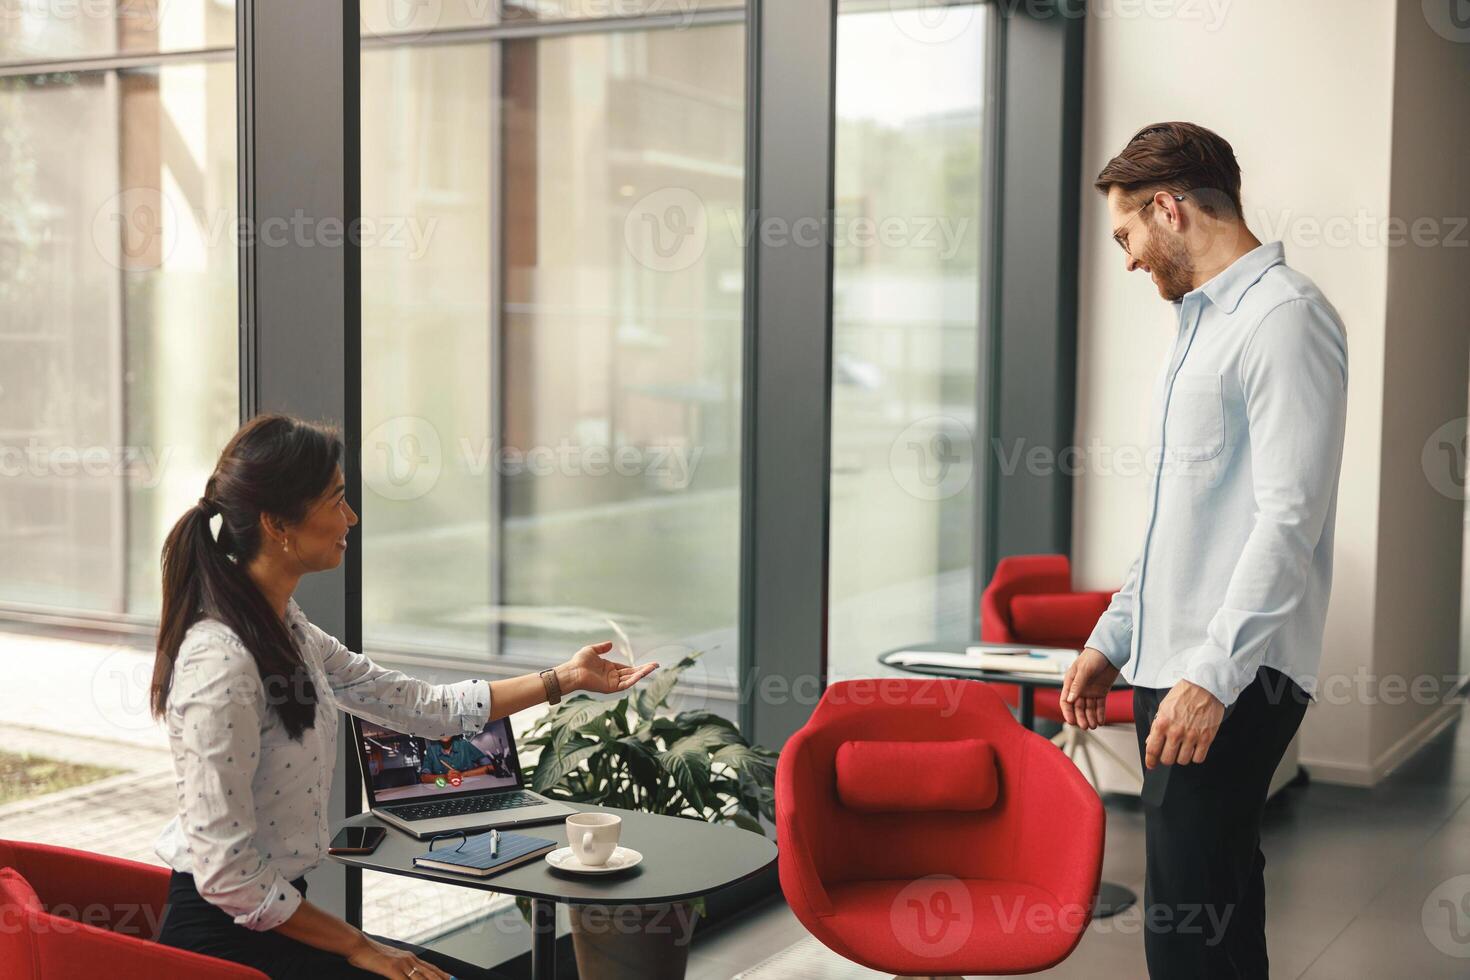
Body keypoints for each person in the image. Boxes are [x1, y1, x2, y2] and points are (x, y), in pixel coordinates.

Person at [150, 413, 660, 980]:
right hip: (221, 947)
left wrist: (564, 679)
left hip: (277, 920)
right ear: (278, 524)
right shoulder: (218, 665)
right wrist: (360, 945)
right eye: (337, 500)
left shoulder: (285, 627)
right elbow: (228, 875)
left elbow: (423, 708)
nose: (352, 517)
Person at [1061, 122, 1347, 979]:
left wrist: (1212, 676)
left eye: (1128, 236)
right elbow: (1177, 516)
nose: (1128, 260)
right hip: (1175, 666)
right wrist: (1113, 637)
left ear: (1169, 207)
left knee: (1188, 928)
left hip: (1229, 674)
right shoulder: (1199, 326)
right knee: (1208, 904)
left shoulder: (1285, 318)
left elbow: (1288, 519)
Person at [417, 734, 495, 784]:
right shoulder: (431, 751)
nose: (444, 732)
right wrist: (445, 778)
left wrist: (462, 774)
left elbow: (490, 767)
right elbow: (424, 778)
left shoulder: (465, 745)